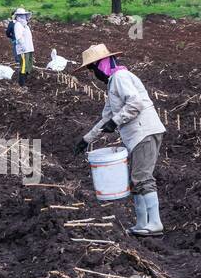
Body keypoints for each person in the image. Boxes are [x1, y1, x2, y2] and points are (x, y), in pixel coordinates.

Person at [71, 44, 167, 237]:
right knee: (136, 179)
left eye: (92, 69)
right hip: (137, 135)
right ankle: (142, 223)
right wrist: (86, 139)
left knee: (142, 177)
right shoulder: (113, 84)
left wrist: (116, 122)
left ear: (101, 65)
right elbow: (106, 118)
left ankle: (155, 223)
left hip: (145, 132)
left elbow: (135, 104)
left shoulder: (121, 78)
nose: (93, 74)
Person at [4, 7, 35, 87]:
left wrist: (30, 47)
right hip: (23, 49)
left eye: (23, 15)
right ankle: (22, 83)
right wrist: (23, 46)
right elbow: (19, 37)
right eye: (20, 15)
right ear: (17, 16)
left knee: (29, 64)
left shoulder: (26, 26)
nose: (22, 17)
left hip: (29, 48)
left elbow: (29, 37)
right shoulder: (18, 25)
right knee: (23, 65)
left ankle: (27, 80)